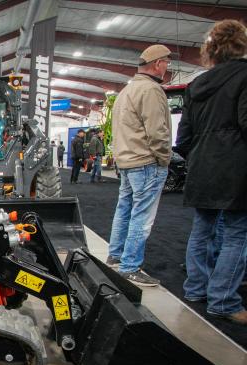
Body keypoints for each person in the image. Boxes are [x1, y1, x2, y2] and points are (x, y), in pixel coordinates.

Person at [174, 20, 247, 325]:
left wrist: (202, 156)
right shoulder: (244, 76)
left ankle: (195, 288)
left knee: (202, 230)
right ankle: (223, 300)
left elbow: (184, 138)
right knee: (236, 234)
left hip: (202, 165)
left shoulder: (196, 85)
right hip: (235, 167)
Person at [106, 44, 173, 286]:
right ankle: (130, 266)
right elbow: (157, 132)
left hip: (127, 161)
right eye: (166, 62)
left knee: (124, 209)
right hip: (146, 162)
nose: (168, 67)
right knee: (141, 216)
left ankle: (115, 256)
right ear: (157, 64)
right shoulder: (151, 90)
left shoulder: (126, 91)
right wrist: (164, 157)